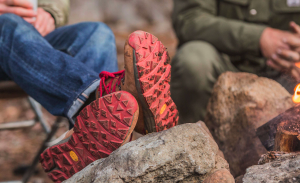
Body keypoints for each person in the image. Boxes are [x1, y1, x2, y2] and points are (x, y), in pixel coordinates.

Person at [0, 1, 179, 182]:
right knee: (6, 24)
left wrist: (50, 12)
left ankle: (90, 151)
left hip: (29, 37)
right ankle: (98, 99)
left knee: (97, 34)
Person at [171, 0, 300, 124]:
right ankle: (192, 138)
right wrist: (258, 38)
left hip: (285, 76)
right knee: (193, 61)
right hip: (222, 70)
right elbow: (190, 20)